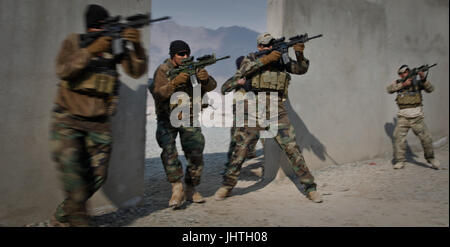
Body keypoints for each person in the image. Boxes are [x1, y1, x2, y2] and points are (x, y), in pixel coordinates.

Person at [50, 4, 148, 226]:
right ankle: (75, 218)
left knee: (98, 176)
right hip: (68, 121)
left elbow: (136, 71)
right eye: (98, 28)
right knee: (74, 179)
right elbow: (63, 70)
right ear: (91, 28)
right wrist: (92, 50)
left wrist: (137, 44)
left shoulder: (114, 47)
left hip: (99, 124)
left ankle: (63, 214)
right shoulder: (74, 42)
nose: (101, 32)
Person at [214, 32, 322, 203]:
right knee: (241, 148)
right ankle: (227, 185)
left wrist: (299, 53)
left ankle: (310, 187)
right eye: (264, 46)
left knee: (291, 147)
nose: (267, 48)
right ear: (259, 47)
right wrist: (267, 58)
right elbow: (243, 71)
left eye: (270, 45)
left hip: (275, 107)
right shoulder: (251, 58)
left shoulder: (281, 60)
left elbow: (300, 70)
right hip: (253, 106)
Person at [150, 40, 217, 208]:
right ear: (173, 55)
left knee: (196, 151)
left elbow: (212, 86)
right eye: (181, 54)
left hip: (188, 116)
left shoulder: (194, 67)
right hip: (167, 117)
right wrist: (174, 83)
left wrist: (206, 78)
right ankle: (176, 187)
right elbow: (158, 93)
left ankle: (191, 188)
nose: (185, 56)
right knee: (169, 151)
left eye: (187, 53)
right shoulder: (163, 70)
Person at [387, 65, 440, 170]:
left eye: (407, 71)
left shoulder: (418, 83)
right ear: (400, 74)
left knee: (426, 138)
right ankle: (400, 161)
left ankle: (431, 158)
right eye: (404, 72)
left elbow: (431, 89)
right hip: (403, 117)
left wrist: (423, 79)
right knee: (398, 139)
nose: (406, 73)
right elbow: (389, 89)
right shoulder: (398, 82)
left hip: (417, 117)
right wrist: (403, 85)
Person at [221, 56, 263, 170]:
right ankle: (230, 165)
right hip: (240, 110)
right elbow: (224, 89)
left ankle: (250, 153)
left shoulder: (256, 76)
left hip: (255, 109)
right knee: (236, 138)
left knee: (256, 134)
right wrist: (237, 82)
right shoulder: (237, 77)